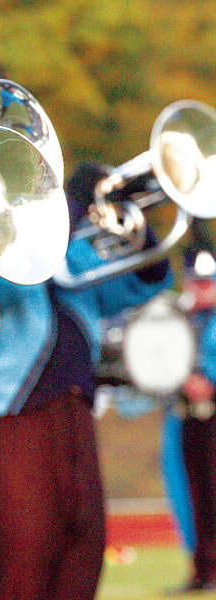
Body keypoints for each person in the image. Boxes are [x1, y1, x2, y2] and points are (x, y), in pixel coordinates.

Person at [0, 161, 172, 600]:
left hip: (77, 427)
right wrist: (60, 219)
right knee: (15, 576)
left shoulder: (73, 257)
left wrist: (131, 219)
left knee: (81, 568)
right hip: (9, 429)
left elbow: (147, 281)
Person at [171, 247, 216, 591]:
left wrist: (210, 384)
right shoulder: (179, 319)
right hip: (189, 418)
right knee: (196, 496)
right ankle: (202, 569)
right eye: (196, 281)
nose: (201, 288)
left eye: (207, 282)